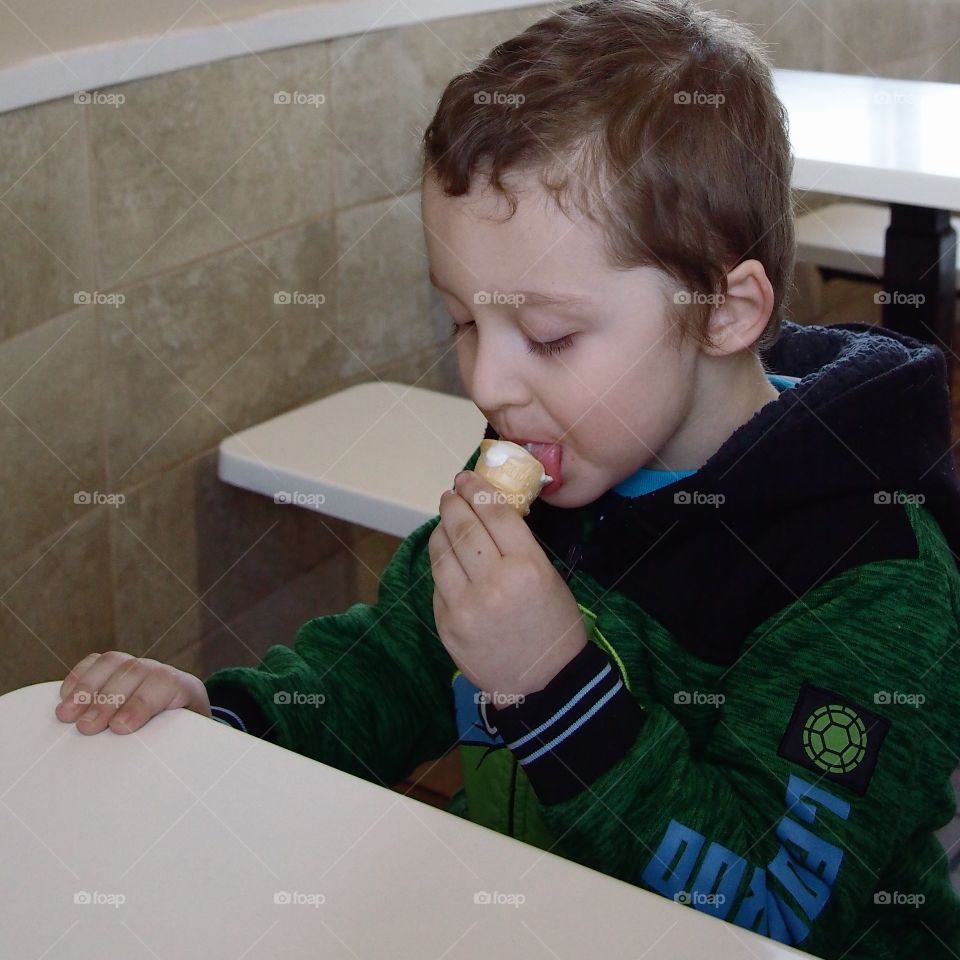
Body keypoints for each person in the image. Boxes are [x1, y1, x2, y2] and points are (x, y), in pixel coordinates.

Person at [55, 1, 960, 956]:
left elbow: (772, 910)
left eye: (552, 336)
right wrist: (233, 719)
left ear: (725, 311)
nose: (487, 384)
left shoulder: (873, 582)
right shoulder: (552, 445)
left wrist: (552, 684)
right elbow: (403, 651)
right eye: (464, 322)